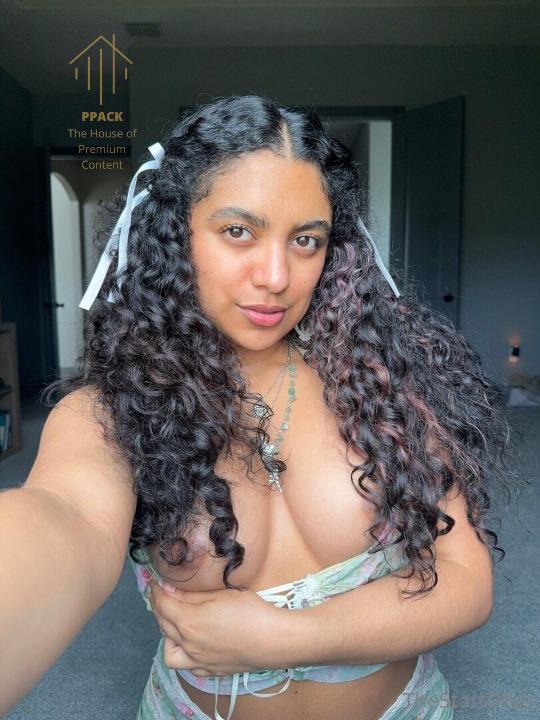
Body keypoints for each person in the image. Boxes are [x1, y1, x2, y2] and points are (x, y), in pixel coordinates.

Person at [0, 94, 519, 720]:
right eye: (238, 231)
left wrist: (286, 636)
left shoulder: (385, 385)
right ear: (175, 235)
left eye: (306, 240)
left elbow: (466, 580)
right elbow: (66, 519)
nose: (276, 276)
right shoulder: (112, 413)